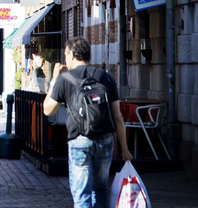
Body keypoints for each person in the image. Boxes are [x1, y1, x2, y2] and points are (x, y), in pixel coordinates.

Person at [43, 38, 133, 208]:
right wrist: (124, 148)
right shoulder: (105, 77)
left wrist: (54, 79)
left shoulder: (64, 79)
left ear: (70, 54)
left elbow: (48, 110)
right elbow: (118, 116)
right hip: (105, 140)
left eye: (65, 54)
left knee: (82, 195)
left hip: (79, 140)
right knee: (100, 190)